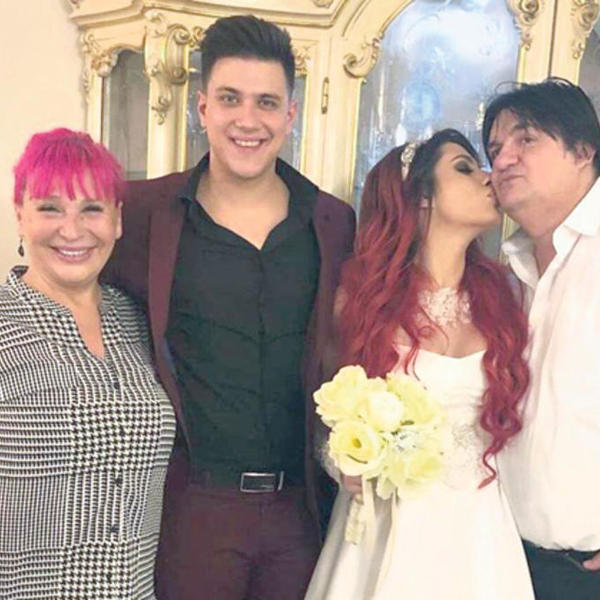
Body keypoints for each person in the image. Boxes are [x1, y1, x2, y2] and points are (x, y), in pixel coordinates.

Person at [102, 14, 355, 600]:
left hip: (301, 511)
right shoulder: (144, 213)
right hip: (193, 508)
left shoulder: (333, 222)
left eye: (266, 102)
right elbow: (68, 267)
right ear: (202, 107)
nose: (248, 119)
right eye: (229, 98)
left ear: (290, 114)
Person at [305, 129, 534, 599]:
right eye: (464, 168)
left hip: (478, 531)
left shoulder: (508, 296)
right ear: (421, 196)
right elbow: (325, 417)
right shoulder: (363, 302)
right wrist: (346, 462)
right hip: (386, 524)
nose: (488, 176)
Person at [0, 128, 176, 599]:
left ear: (117, 220)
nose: (72, 230)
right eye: (50, 208)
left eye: (91, 209)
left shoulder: (139, 320)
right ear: (20, 215)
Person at [483, 78, 600, 599]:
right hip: (501, 557)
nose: (503, 159)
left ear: (583, 151)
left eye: (526, 139)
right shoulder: (505, 273)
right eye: (494, 149)